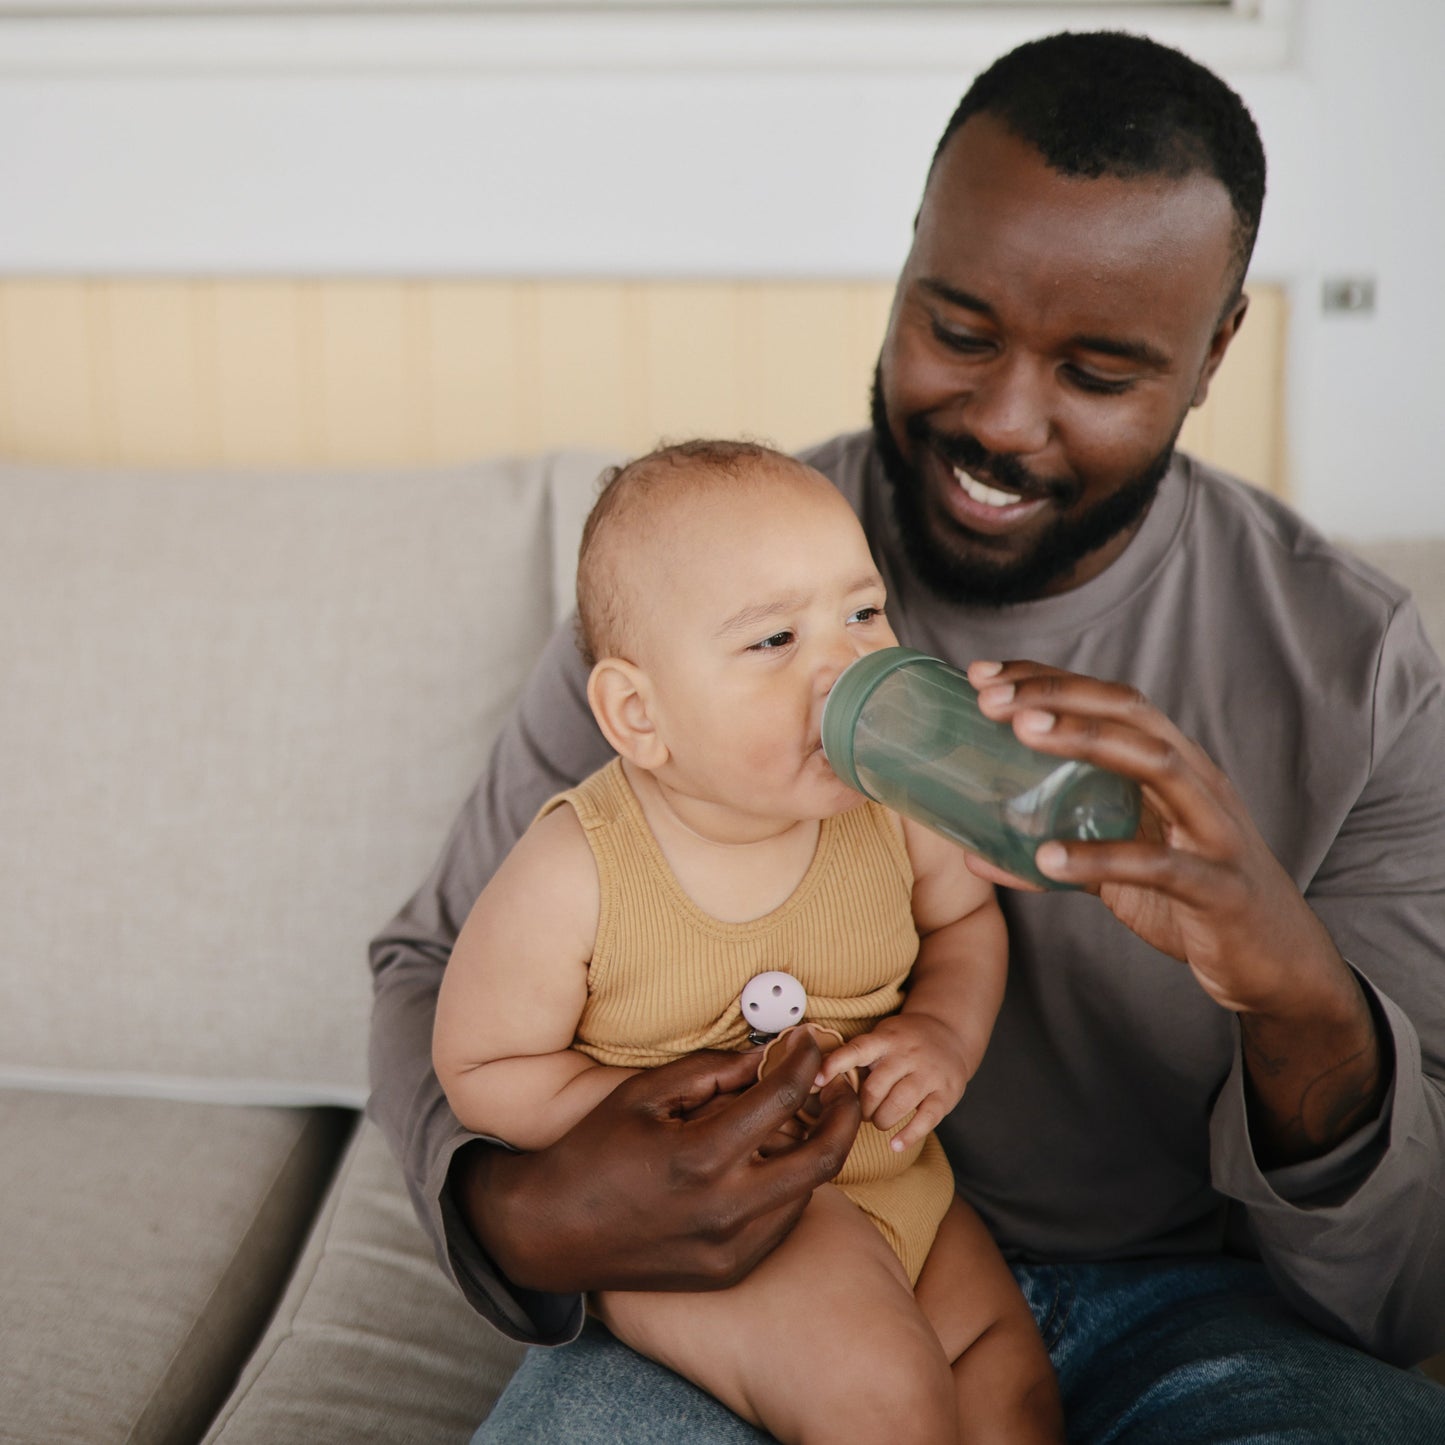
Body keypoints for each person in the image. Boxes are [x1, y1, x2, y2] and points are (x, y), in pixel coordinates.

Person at [369, 29, 1445, 1443]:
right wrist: (547, 1207)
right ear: (905, 266)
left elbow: (1409, 1288)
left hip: (1194, 1305)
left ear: (1215, 349)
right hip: (757, 1259)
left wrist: (1301, 1001)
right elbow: (436, 968)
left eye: (1100, 370)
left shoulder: (1354, 668)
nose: (1002, 421)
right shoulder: (701, 589)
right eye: (956, 329)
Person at [431, 440, 1064, 1444]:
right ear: (639, 714)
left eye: (861, 613)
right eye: (772, 639)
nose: (843, 664)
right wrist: (644, 1111)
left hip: (901, 1183)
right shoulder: (575, 869)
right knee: (886, 1397)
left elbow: (963, 921)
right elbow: (480, 1062)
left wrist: (943, 1029)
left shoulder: (892, 807)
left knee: (1009, 1386)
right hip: (712, 1220)